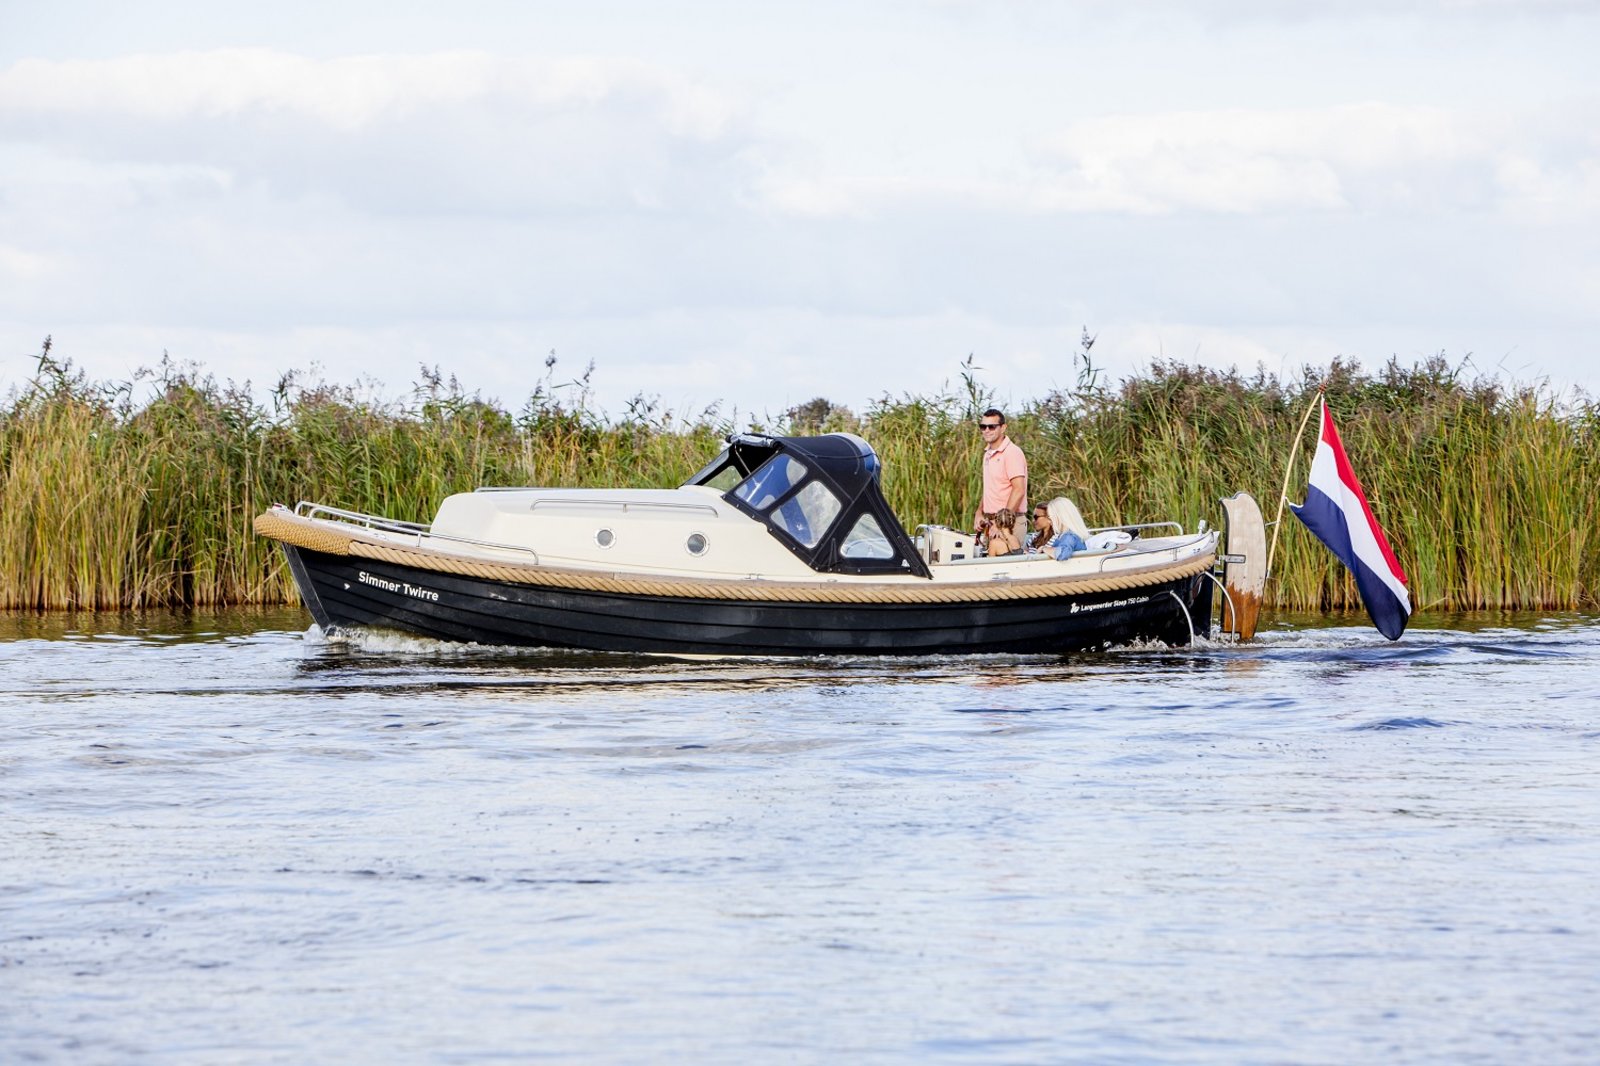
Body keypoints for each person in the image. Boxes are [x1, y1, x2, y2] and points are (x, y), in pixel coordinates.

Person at [973, 409, 1027, 550]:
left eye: (992, 426)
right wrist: (979, 512)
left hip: (1009, 524)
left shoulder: (1012, 453)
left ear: (1003, 427)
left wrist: (1001, 524)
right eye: (983, 427)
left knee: (1006, 570)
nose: (987, 430)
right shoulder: (988, 454)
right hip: (991, 523)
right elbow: (990, 489)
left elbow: (1019, 490)